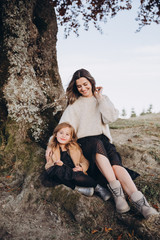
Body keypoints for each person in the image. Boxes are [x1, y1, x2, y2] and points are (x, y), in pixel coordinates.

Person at [46, 69, 159, 219]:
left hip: (104, 142)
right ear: (76, 88)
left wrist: (100, 98)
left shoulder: (102, 99)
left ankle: (142, 204)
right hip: (85, 143)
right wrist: (50, 146)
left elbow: (111, 117)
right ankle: (118, 196)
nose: (83, 88)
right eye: (79, 86)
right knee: (96, 143)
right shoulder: (74, 105)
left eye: (85, 84)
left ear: (91, 82)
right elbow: (61, 128)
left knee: (116, 165)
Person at [45, 122, 111, 200]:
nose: (63, 136)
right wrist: (55, 163)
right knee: (56, 171)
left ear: (70, 138)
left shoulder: (75, 147)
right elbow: (48, 164)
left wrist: (81, 167)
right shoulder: (52, 148)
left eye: (67, 134)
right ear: (56, 135)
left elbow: (85, 161)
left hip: (74, 173)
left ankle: (98, 188)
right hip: (61, 172)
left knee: (76, 174)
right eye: (61, 133)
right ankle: (78, 189)